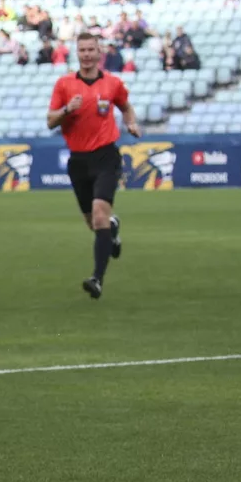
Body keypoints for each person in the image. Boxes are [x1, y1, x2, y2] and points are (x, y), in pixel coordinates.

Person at [47, 33, 141, 300]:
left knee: (98, 215)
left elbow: (126, 106)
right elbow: (50, 121)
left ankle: (97, 279)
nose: (87, 54)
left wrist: (131, 123)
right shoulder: (64, 84)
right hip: (78, 160)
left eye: (91, 49)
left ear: (100, 53)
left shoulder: (113, 83)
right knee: (94, 222)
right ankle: (112, 228)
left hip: (105, 156)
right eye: (83, 50)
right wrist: (67, 109)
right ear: (77, 53)